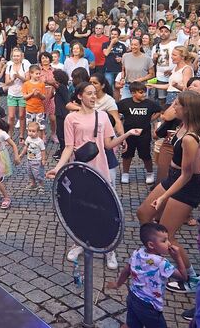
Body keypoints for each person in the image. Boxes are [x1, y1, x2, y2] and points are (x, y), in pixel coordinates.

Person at [47, 82, 140, 265]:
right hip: (80, 170)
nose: (93, 97)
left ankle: (110, 249)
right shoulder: (71, 118)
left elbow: (108, 145)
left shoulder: (103, 116)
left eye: (94, 94)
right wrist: (58, 168)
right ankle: (80, 243)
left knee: (105, 209)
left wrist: (127, 134)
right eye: (89, 93)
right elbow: (68, 147)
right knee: (80, 207)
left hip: (101, 169)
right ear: (80, 96)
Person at [137, 90, 200, 294]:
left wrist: (164, 197)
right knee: (144, 213)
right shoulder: (181, 126)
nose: (173, 107)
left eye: (177, 104)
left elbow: (190, 173)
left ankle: (191, 276)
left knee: (168, 234)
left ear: (187, 110)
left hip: (186, 187)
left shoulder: (190, 138)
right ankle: (156, 254)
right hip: (172, 178)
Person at [107, 222, 187, 328]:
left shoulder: (137, 253)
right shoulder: (162, 263)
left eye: (168, 239)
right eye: (164, 241)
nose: (169, 243)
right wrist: (178, 257)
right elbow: (183, 277)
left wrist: (118, 284)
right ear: (151, 245)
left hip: (133, 297)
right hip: (150, 306)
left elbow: (127, 269)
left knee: (132, 325)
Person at [117, 82, 161, 185]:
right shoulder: (125, 103)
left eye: (145, 92)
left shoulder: (149, 103)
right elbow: (114, 110)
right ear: (133, 93)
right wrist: (118, 119)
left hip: (144, 134)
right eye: (141, 92)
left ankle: (150, 173)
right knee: (127, 154)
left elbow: (159, 111)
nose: (144, 95)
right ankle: (125, 173)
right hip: (129, 134)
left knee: (145, 154)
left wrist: (150, 120)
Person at [4, 48, 31, 142]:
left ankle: (21, 135)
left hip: (22, 94)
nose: (16, 58)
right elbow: (6, 82)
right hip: (12, 93)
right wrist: (12, 80)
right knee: (11, 116)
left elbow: (28, 80)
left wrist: (19, 76)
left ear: (21, 57)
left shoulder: (25, 66)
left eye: (18, 56)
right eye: (14, 56)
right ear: (12, 56)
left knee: (21, 116)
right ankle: (9, 135)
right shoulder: (9, 66)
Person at [152, 25, 178, 105]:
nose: (163, 33)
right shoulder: (156, 46)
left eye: (166, 31)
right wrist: (154, 58)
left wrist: (172, 70)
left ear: (170, 33)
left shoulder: (175, 44)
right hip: (160, 77)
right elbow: (153, 63)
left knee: (173, 99)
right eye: (162, 31)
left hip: (173, 76)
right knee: (161, 99)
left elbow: (182, 59)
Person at [18, 121, 47, 192]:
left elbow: (43, 150)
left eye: (33, 131)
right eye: (29, 131)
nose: (31, 133)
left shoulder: (39, 141)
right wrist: (21, 155)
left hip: (37, 160)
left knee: (38, 173)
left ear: (38, 132)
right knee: (30, 172)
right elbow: (25, 147)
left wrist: (43, 159)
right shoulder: (28, 138)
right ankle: (33, 184)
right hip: (29, 159)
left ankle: (41, 185)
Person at [22, 65, 47, 140]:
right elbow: (24, 97)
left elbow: (44, 97)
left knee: (41, 127)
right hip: (30, 109)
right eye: (37, 74)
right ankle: (30, 140)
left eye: (39, 73)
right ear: (31, 74)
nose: (38, 75)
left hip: (40, 109)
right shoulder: (26, 84)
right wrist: (32, 93)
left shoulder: (42, 84)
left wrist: (39, 94)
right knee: (29, 126)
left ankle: (40, 140)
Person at [103, 27, 126, 100]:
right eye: (112, 34)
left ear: (118, 36)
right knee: (108, 87)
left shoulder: (122, 46)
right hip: (109, 69)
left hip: (119, 69)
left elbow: (125, 58)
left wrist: (121, 59)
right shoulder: (105, 44)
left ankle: (117, 103)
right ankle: (108, 102)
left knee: (117, 88)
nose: (113, 36)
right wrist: (112, 43)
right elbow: (106, 53)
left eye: (115, 34)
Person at [53, 69, 70, 158]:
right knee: (59, 132)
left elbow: (55, 85)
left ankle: (64, 150)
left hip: (63, 114)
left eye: (54, 77)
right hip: (59, 113)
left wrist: (50, 82)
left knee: (61, 133)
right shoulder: (61, 87)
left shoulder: (62, 87)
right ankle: (62, 148)